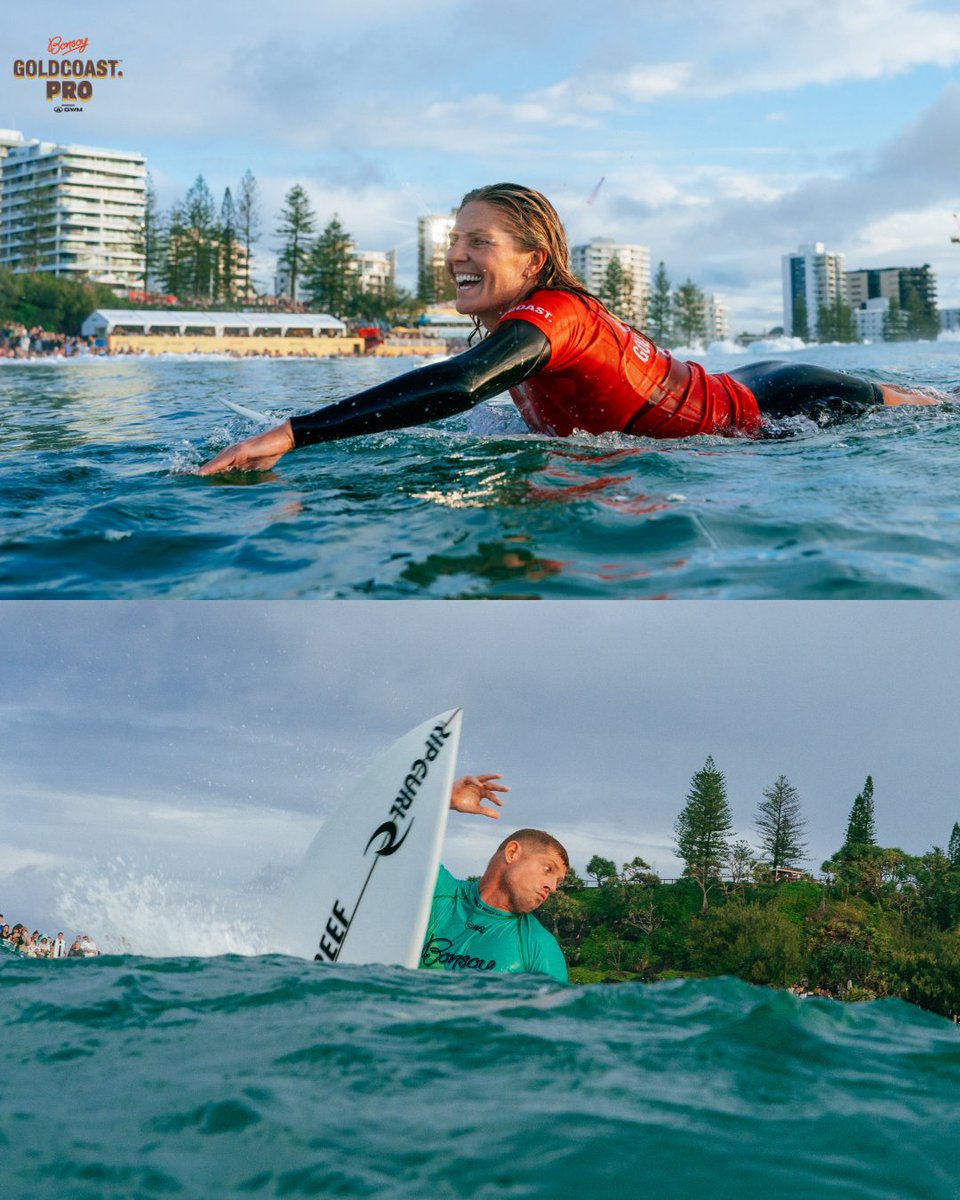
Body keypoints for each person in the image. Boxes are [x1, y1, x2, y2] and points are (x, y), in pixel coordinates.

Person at [199, 183, 938, 476]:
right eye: (455, 239)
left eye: (479, 241)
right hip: (730, 390)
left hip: (772, 403)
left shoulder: (552, 316)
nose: (456, 252)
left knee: (935, 411)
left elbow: (456, 387)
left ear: (535, 259)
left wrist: (296, 432)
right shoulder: (514, 328)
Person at [422, 773, 568, 982]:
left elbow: (554, 1014)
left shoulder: (539, 947)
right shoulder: (438, 891)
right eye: (548, 869)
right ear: (512, 853)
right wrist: (441, 799)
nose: (552, 887)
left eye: (559, 882)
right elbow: (389, 837)